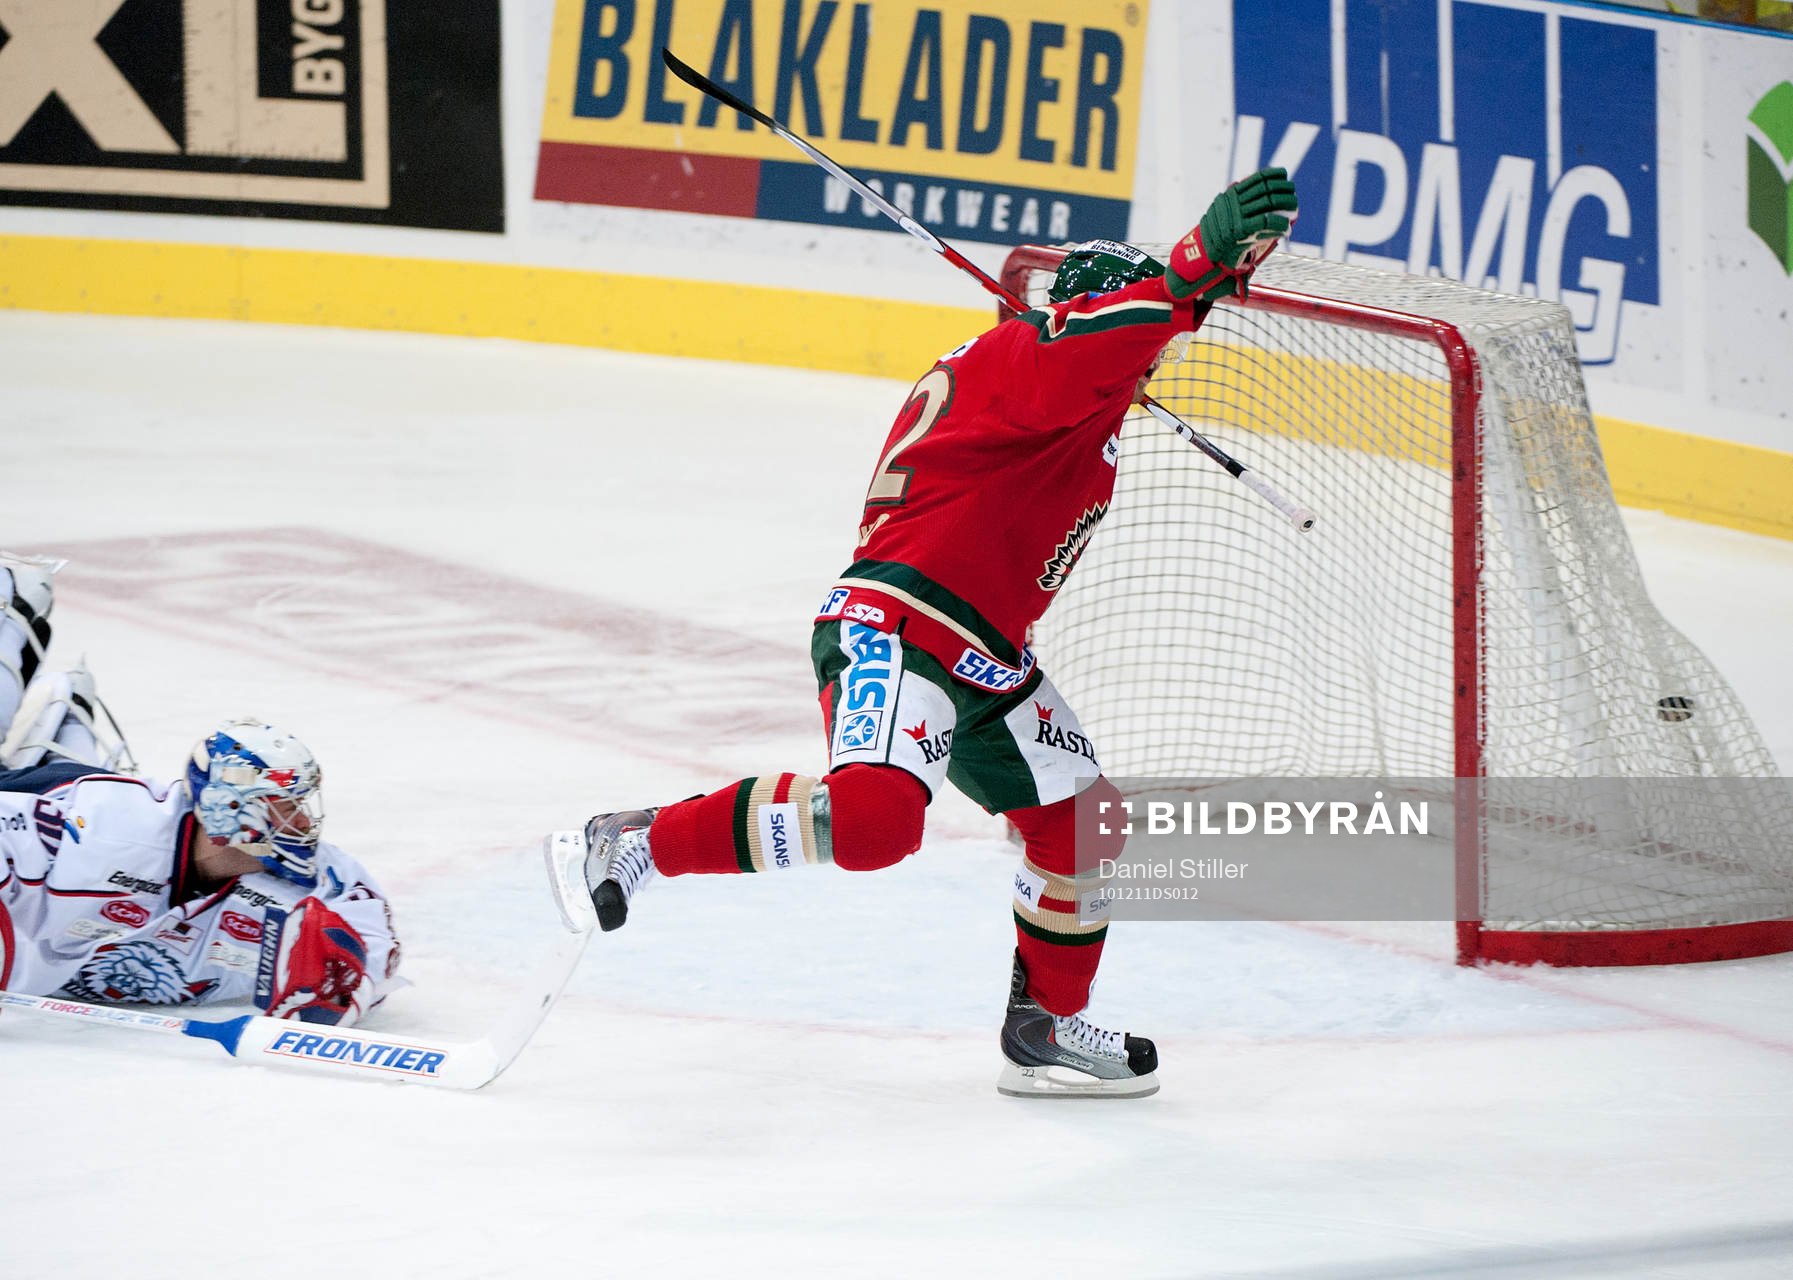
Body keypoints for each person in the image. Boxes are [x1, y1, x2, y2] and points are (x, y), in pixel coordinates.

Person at [565, 170, 1299, 1098]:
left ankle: (1044, 1024)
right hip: (899, 622)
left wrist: (1206, 291)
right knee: (873, 826)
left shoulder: (1056, 386)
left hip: (984, 653)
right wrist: (1191, 267)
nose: (1143, 373)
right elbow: (1094, 344)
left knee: (1082, 825)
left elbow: (1114, 344)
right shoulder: (1030, 362)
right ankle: (636, 838)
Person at [0, 553, 401, 1027]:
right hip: (45, 787)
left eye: (301, 806)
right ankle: (22, 612)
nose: (302, 822)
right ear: (229, 809)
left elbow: (376, 937)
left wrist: (345, 977)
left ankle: (68, 709)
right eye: (284, 806)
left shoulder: (315, 880)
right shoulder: (101, 824)